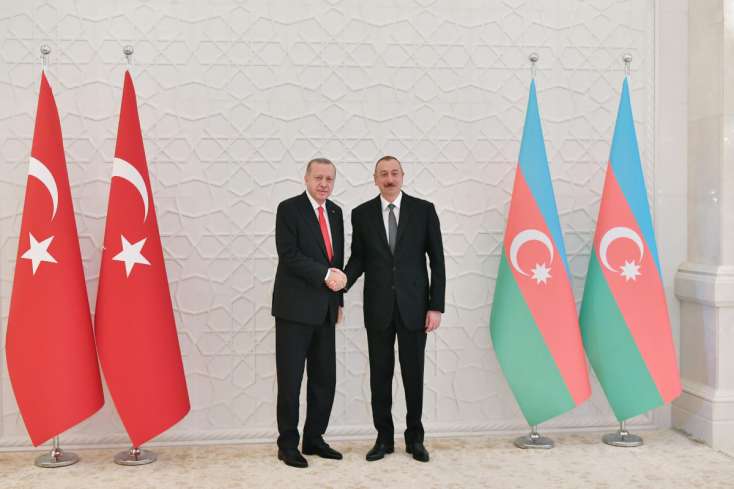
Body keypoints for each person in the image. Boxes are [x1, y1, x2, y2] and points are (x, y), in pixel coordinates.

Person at [339, 155, 445, 463]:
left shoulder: (424, 211)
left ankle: (415, 439)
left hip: (415, 308)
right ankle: (383, 439)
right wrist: (342, 282)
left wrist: (435, 306)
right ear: (375, 179)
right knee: (380, 376)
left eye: (394, 173)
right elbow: (359, 258)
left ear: (402, 176)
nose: (389, 178)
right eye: (383, 174)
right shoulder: (361, 214)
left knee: (414, 375)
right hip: (378, 309)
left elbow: (437, 261)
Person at [272, 158, 348, 468]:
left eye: (329, 179)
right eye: (318, 177)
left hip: (325, 311)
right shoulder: (289, 209)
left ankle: (314, 438)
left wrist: (339, 301)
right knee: (291, 381)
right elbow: (288, 255)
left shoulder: (336, 212)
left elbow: (336, 260)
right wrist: (325, 275)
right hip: (293, 311)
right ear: (306, 178)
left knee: (324, 380)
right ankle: (288, 444)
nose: (324, 184)